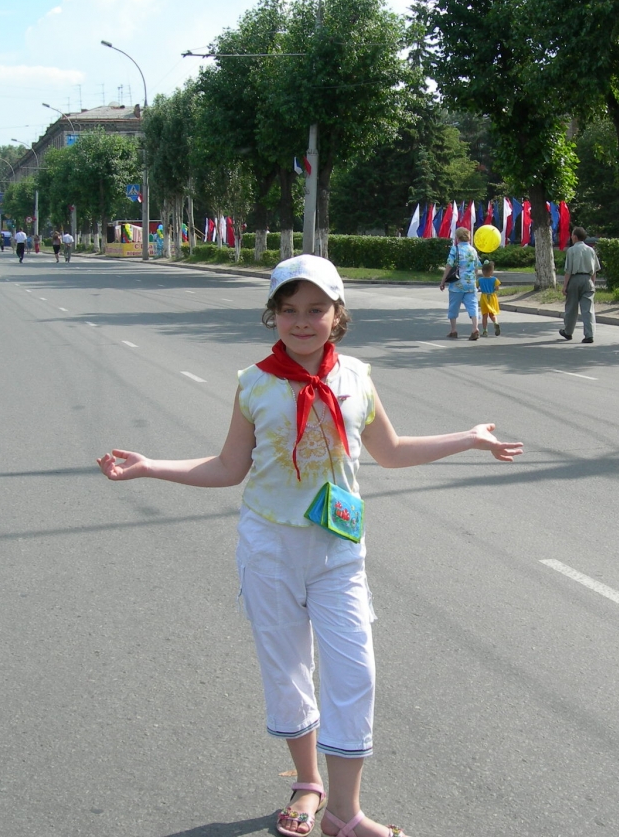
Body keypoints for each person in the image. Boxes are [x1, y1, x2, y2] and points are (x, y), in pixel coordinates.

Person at [97, 255, 522, 837]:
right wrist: (151, 466)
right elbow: (227, 467)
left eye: (316, 309)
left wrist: (468, 439)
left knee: (355, 672)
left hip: (338, 550)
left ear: (337, 314)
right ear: (272, 314)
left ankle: (345, 813)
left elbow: (391, 451)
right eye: (289, 309)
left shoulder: (356, 378)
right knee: (288, 671)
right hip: (270, 548)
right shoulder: (255, 384)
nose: (302, 321)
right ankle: (308, 783)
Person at [439, 227, 481, 340]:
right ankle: (475, 328)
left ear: (457, 238)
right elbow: (476, 267)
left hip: (457, 283)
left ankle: (453, 330)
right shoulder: (473, 250)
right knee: (473, 305)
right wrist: (474, 280)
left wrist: (443, 281)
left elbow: (449, 265)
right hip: (470, 283)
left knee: (453, 306)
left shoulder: (455, 249)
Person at [560, 226, 599, 344]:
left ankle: (568, 331)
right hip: (588, 279)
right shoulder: (591, 250)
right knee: (588, 309)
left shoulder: (571, 250)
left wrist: (565, 286)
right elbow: (594, 270)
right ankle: (589, 334)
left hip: (575, 279)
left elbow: (568, 270)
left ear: (575, 237)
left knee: (571, 307)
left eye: (572, 235)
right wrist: (593, 283)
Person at [477, 260, 502, 336]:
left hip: (484, 297)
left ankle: (485, 331)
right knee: (492, 314)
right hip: (492, 297)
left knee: (485, 315)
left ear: (482, 271)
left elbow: (476, 287)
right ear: (491, 271)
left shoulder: (480, 280)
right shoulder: (495, 279)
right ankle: (495, 322)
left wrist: (480, 289)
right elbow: (497, 288)